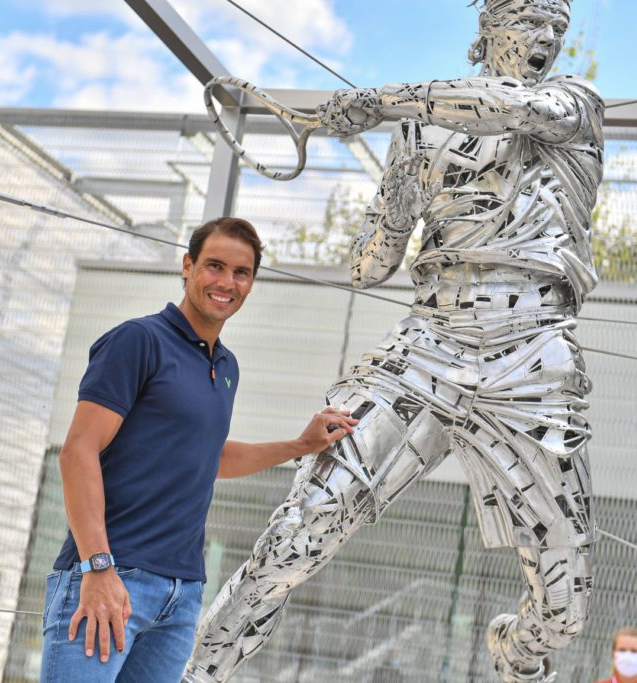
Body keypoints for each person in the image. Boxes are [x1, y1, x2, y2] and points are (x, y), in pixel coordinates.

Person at [185, 0, 603, 681]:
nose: (549, 39)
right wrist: (385, 217)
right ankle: (198, 672)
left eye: (558, 28)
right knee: (301, 529)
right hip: (428, 346)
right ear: (491, 30)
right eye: (532, 24)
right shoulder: (416, 133)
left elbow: (505, 110)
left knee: (565, 608)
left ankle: (519, 650)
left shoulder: (573, 105)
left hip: (534, 361)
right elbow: (374, 264)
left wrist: (376, 101)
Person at [39, 217, 358, 682]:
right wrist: (98, 567)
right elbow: (77, 452)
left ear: (251, 282)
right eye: (214, 266)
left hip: (182, 593)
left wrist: (301, 444)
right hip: (112, 576)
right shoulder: (139, 341)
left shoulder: (226, 367)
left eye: (241, 272)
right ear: (187, 267)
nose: (226, 282)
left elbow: (212, 457)